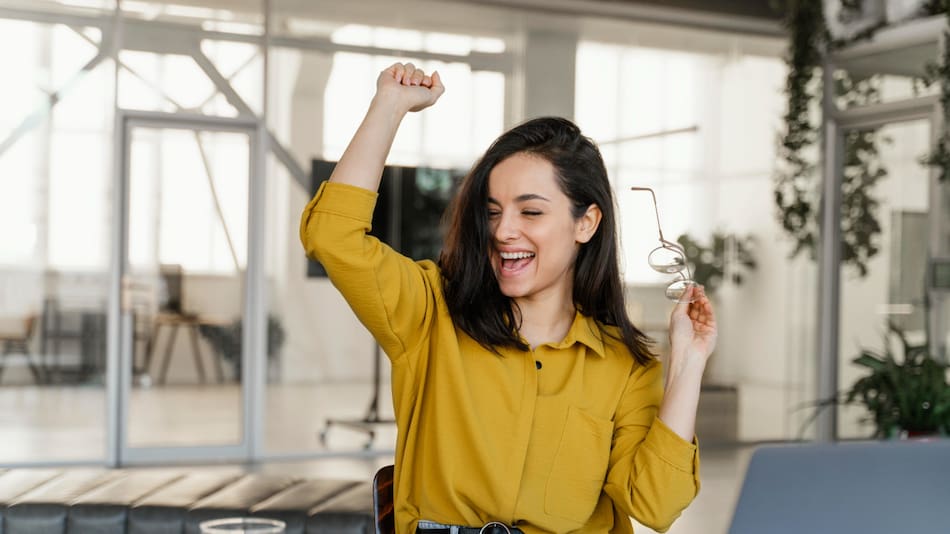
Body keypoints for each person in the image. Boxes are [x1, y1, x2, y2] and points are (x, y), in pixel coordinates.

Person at [300, 62, 717, 534]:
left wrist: (688, 362)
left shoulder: (624, 367)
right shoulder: (430, 313)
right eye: (493, 211)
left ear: (587, 222)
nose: (503, 230)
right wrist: (389, 107)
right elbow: (332, 237)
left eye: (531, 211)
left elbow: (655, 505)